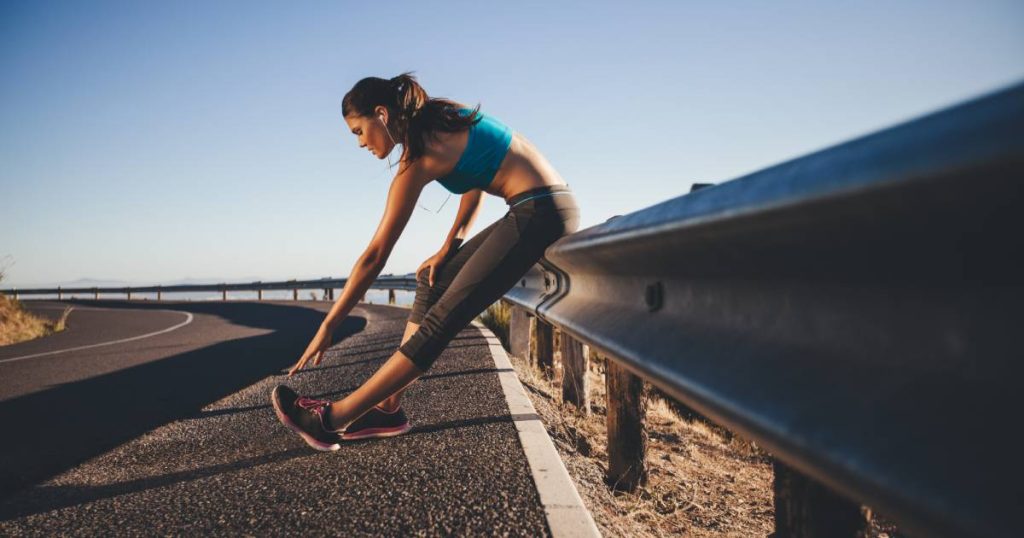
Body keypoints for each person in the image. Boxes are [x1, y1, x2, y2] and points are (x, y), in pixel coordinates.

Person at [271, 72, 580, 451]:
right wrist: (451, 243)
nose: (359, 143)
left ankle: (333, 419)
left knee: (441, 321)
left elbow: (374, 257)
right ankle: (387, 409)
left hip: (540, 211)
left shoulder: (419, 157)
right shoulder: (441, 121)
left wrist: (330, 324)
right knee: (432, 278)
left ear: (381, 114)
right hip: (536, 206)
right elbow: (475, 180)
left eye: (358, 131)